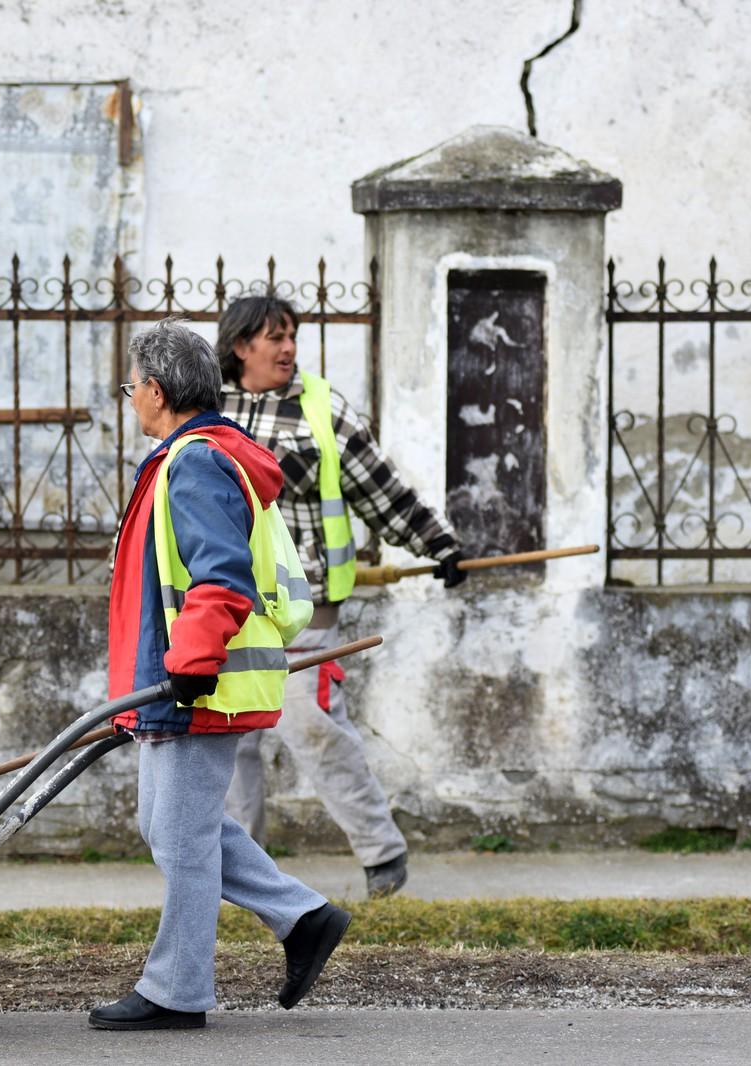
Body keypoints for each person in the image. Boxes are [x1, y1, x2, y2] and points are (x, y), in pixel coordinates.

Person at [89, 318, 351, 1032]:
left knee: (181, 839)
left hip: (198, 682)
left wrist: (193, 666)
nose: (130, 399)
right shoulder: (191, 456)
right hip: (178, 678)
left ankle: (177, 990)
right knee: (172, 827)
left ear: (156, 389)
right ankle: (303, 918)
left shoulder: (197, 463)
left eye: (131, 386)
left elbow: (223, 579)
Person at [218, 295, 467, 899]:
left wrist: (439, 544)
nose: (288, 348)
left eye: (292, 336)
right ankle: (233, 878)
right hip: (226, 613)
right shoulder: (209, 412)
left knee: (316, 729)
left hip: (305, 612)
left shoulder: (322, 409)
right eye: (274, 338)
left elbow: (383, 490)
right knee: (226, 748)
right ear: (239, 347)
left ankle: (383, 858)